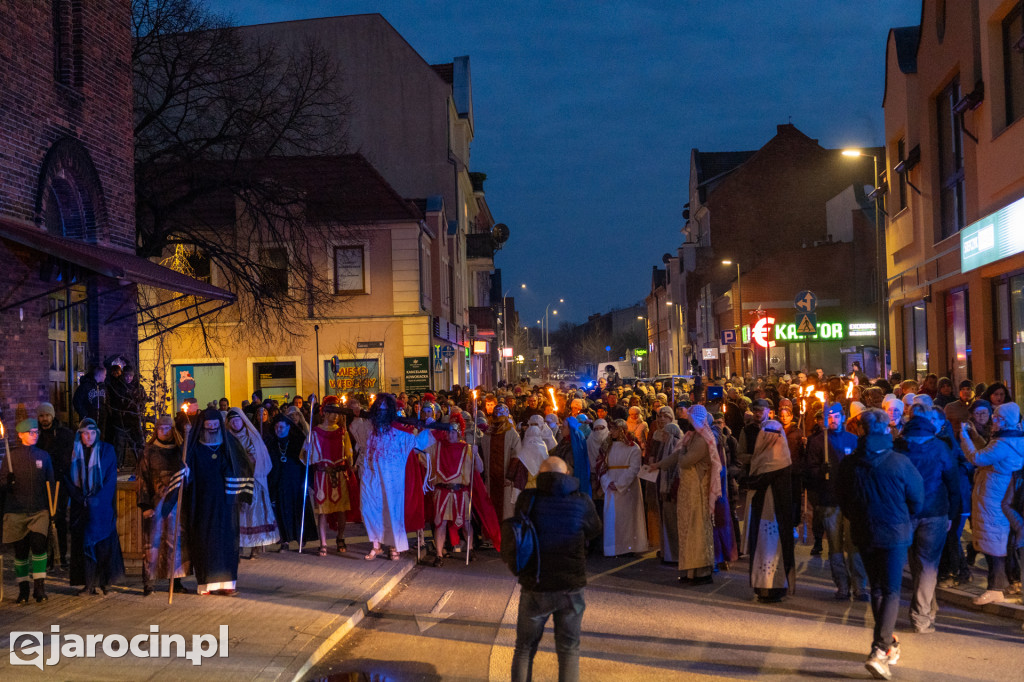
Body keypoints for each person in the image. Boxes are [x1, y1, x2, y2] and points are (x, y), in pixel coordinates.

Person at [837, 408, 924, 681]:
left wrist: (860, 517)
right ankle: (881, 648)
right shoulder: (899, 462)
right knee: (891, 590)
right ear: (887, 429)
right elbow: (917, 498)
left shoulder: (849, 464)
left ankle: (887, 642)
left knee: (877, 588)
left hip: (865, 531)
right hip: (894, 532)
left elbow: (843, 500)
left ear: (861, 430)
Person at [503, 456, 601, 682]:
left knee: (524, 648)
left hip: (536, 583)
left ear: (541, 475)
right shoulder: (582, 501)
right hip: (571, 585)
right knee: (569, 650)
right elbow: (595, 530)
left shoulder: (528, 499)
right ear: (567, 474)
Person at [894, 413, 960, 632]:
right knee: (928, 564)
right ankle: (923, 615)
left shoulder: (899, 448)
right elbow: (952, 482)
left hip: (905, 513)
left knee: (914, 562)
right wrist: (952, 514)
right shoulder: (940, 448)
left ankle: (926, 609)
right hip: (935, 512)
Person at [959, 402, 1024, 605]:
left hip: (994, 497)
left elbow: (977, 458)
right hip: (1000, 495)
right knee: (1001, 540)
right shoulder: (1011, 439)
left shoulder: (1004, 443)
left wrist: (964, 437)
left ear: (1005, 421)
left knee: (994, 540)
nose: (992, 421)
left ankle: (995, 588)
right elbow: (988, 451)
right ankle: (1005, 583)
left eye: (996, 418)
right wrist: (975, 436)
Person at [184, 407, 253, 596]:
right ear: (202, 426)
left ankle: (228, 583)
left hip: (226, 504)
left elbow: (243, 466)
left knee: (226, 541)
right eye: (209, 425)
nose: (212, 429)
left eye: (215, 425)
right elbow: (187, 473)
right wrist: (186, 473)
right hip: (202, 503)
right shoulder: (194, 447)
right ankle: (205, 584)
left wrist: (240, 495)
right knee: (204, 541)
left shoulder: (230, 444)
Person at [806, 403, 867, 601]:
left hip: (850, 502)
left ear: (842, 417)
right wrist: (820, 471)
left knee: (854, 544)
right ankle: (842, 585)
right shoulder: (817, 442)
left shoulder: (853, 440)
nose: (833, 420)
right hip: (829, 500)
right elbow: (810, 470)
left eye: (836, 416)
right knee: (835, 545)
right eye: (829, 417)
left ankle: (860, 586)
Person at [360, 394, 432, 560]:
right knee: (369, 509)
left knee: (391, 512)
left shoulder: (399, 435)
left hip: (392, 482)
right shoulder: (370, 433)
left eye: (385, 410)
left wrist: (430, 428)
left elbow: (418, 444)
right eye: (379, 410)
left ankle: (394, 546)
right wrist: (357, 414)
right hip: (371, 479)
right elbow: (357, 432)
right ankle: (376, 545)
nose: (382, 414)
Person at [653, 405, 716, 585]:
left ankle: (702, 572)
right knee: (687, 530)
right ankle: (690, 572)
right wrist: (658, 465)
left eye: (691, 418)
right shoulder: (692, 436)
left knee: (697, 530)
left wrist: (682, 455)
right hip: (688, 489)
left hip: (698, 491)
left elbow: (686, 460)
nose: (689, 421)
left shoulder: (703, 439)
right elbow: (677, 455)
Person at [68, 418, 125, 596]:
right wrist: (80, 498)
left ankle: (105, 583)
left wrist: (96, 500)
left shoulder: (107, 450)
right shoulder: (76, 452)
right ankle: (89, 583)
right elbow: (70, 479)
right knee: (86, 545)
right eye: (85, 433)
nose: (89, 436)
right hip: (82, 507)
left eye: (92, 433)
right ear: (80, 435)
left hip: (102, 508)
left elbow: (110, 480)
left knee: (104, 545)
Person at [1, 419, 54, 604]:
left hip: (39, 510)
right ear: (21, 435)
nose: (34, 435)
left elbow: (50, 483)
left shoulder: (44, 456)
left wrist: (52, 507)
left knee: (39, 546)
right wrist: (7, 482)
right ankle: (23, 589)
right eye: (30, 432)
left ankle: (39, 588)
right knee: (21, 551)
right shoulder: (11, 457)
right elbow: (2, 484)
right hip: (17, 510)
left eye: (36, 432)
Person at [136, 416, 190, 595]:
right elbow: (142, 479)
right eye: (161, 429)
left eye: (167, 429)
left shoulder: (180, 451)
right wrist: (145, 506)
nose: (164, 432)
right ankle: (149, 583)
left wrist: (187, 473)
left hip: (176, 505)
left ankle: (176, 581)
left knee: (175, 542)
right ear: (156, 431)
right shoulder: (149, 452)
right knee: (153, 543)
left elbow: (186, 478)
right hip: (156, 505)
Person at [744, 419, 796, 602]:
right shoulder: (769, 455)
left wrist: (745, 481)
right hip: (765, 511)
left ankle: (773, 587)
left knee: (771, 550)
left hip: (772, 512)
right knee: (764, 548)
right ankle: (763, 587)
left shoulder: (778, 458)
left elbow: (759, 481)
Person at [226, 407, 280, 558]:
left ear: (242, 421)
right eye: (232, 421)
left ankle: (255, 545)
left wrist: (243, 461)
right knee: (237, 514)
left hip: (253, 479)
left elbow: (256, 456)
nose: (235, 424)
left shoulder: (252, 437)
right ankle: (238, 544)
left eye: (237, 420)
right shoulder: (226, 437)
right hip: (234, 481)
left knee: (254, 513)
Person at [304, 397, 354, 556]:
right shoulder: (315, 433)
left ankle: (341, 537)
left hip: (339, 475)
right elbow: (305, 455)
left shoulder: (343, 433)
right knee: (322, 511)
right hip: (322, 475)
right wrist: (308, 451)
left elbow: (349, 455)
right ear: (325, 413)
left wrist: (351, 463)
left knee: (341, 510)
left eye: (338, 413)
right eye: (332, 412)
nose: (335, 416)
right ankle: (323, 543)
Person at [596, 420, 646, 557]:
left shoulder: (633, 448)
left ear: (621, 430)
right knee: (612, 518)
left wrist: (620, 483)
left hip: (627, 487)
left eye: (614, 429)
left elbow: (634, 468)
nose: (611, 432)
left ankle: (627, 547)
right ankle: (613, 548)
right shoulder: (606, 446)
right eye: (611, 429)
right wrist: (607, 481)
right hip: (610, 484)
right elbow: (601, 466)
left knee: (627, 519)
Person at [267, 413, 315, 552]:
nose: (278, 429)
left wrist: (307, 452)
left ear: (289, 427)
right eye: (276, 427)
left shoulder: (298, 441)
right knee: (281, 511)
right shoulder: (271, 443)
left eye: (281, 427)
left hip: (295, 482)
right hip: (278, 482)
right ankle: (285, 540)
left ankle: (300, 537)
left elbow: (305, 462)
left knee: (298, 509)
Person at [35, 402, 74, 569]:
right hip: (42, 483)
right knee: (44, 519)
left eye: (47, 415)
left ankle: (60, 554)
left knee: (59, 518)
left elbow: (67, 457)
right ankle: (47, 555)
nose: (44, 419)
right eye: (41, 416)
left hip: (59, 482)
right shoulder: (36, 435)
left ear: (52, 416)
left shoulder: (64, 434)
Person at [482, 404, 522, 519]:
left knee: (505, 510)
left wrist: (509, 476)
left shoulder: (512, 434)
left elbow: (516, 457)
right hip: (491, 479)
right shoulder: (488, 434)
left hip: (504, 480)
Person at [508, 425, 550, 507]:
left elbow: (520, 475)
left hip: (526, 488)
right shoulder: (543, 448)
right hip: (540, 486)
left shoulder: (523, 451)